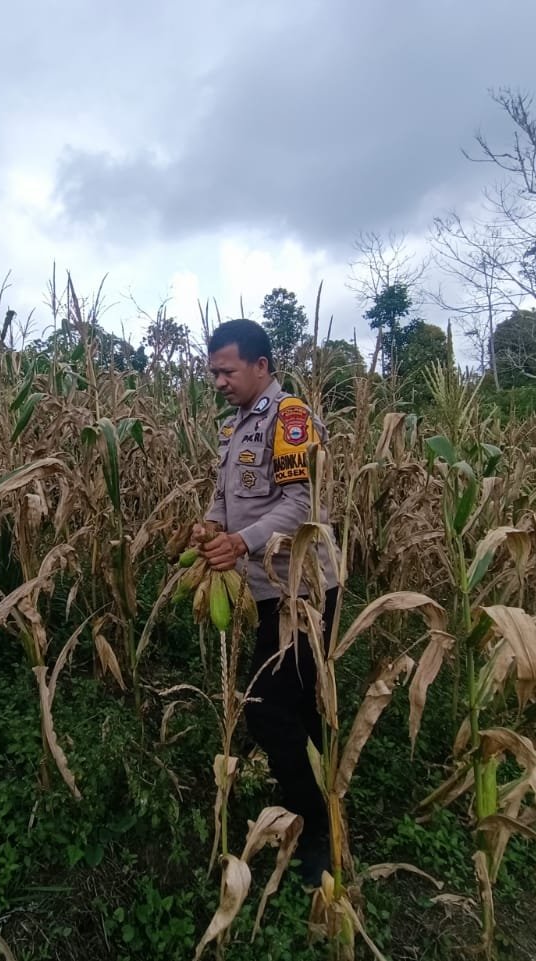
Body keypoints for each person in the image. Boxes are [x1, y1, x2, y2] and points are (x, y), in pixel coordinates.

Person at [191, 318, 340, 887]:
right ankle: (323, 791)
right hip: (261, 592)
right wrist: (209, 526)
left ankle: (318, 829)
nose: (219, 381)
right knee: (297, 706)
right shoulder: (233, 430)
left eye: (226, 371)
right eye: (213, 373)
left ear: (261, 366)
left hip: (300, 591)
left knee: (265, 707)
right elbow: (223, 495)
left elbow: (303, 506)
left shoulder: (292, 420)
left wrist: (240, 542)